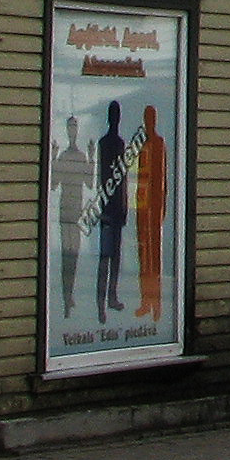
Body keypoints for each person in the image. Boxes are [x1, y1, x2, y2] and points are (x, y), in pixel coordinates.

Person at [50, 115, 91, 318]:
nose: (72, 130)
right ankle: (65, 297)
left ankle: (70, 295)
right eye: (69, 127)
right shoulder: (64, 157)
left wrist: (92, 156)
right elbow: (53, 184)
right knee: (66, 254)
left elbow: (91, 183)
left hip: (77, 210)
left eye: (75, 126)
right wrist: (53, 158)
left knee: (73, 254)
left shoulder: (81, 156)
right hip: (65, 210)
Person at [134, 102, 169, 320]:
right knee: (142, 256)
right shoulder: (140, 145)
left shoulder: (158, 143)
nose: (149, 122)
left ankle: (157, 305)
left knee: (154, 258)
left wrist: (161, 207)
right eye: (147, 118)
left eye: (151, 118)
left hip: (154, 208)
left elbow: (162, 179)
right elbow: (136, 176)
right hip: (141, 206)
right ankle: (145, 301)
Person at [94, 102, 128, 319]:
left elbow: (122, 178)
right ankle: (100, 304)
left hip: (115, 206)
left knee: (114, 256)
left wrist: (124, 205)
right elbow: (101, 176)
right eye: (114, 116)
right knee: (106, 256)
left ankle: (111, 297)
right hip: (108, 205)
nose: (115, 119)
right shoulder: (106, 143)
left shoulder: (120, 143)